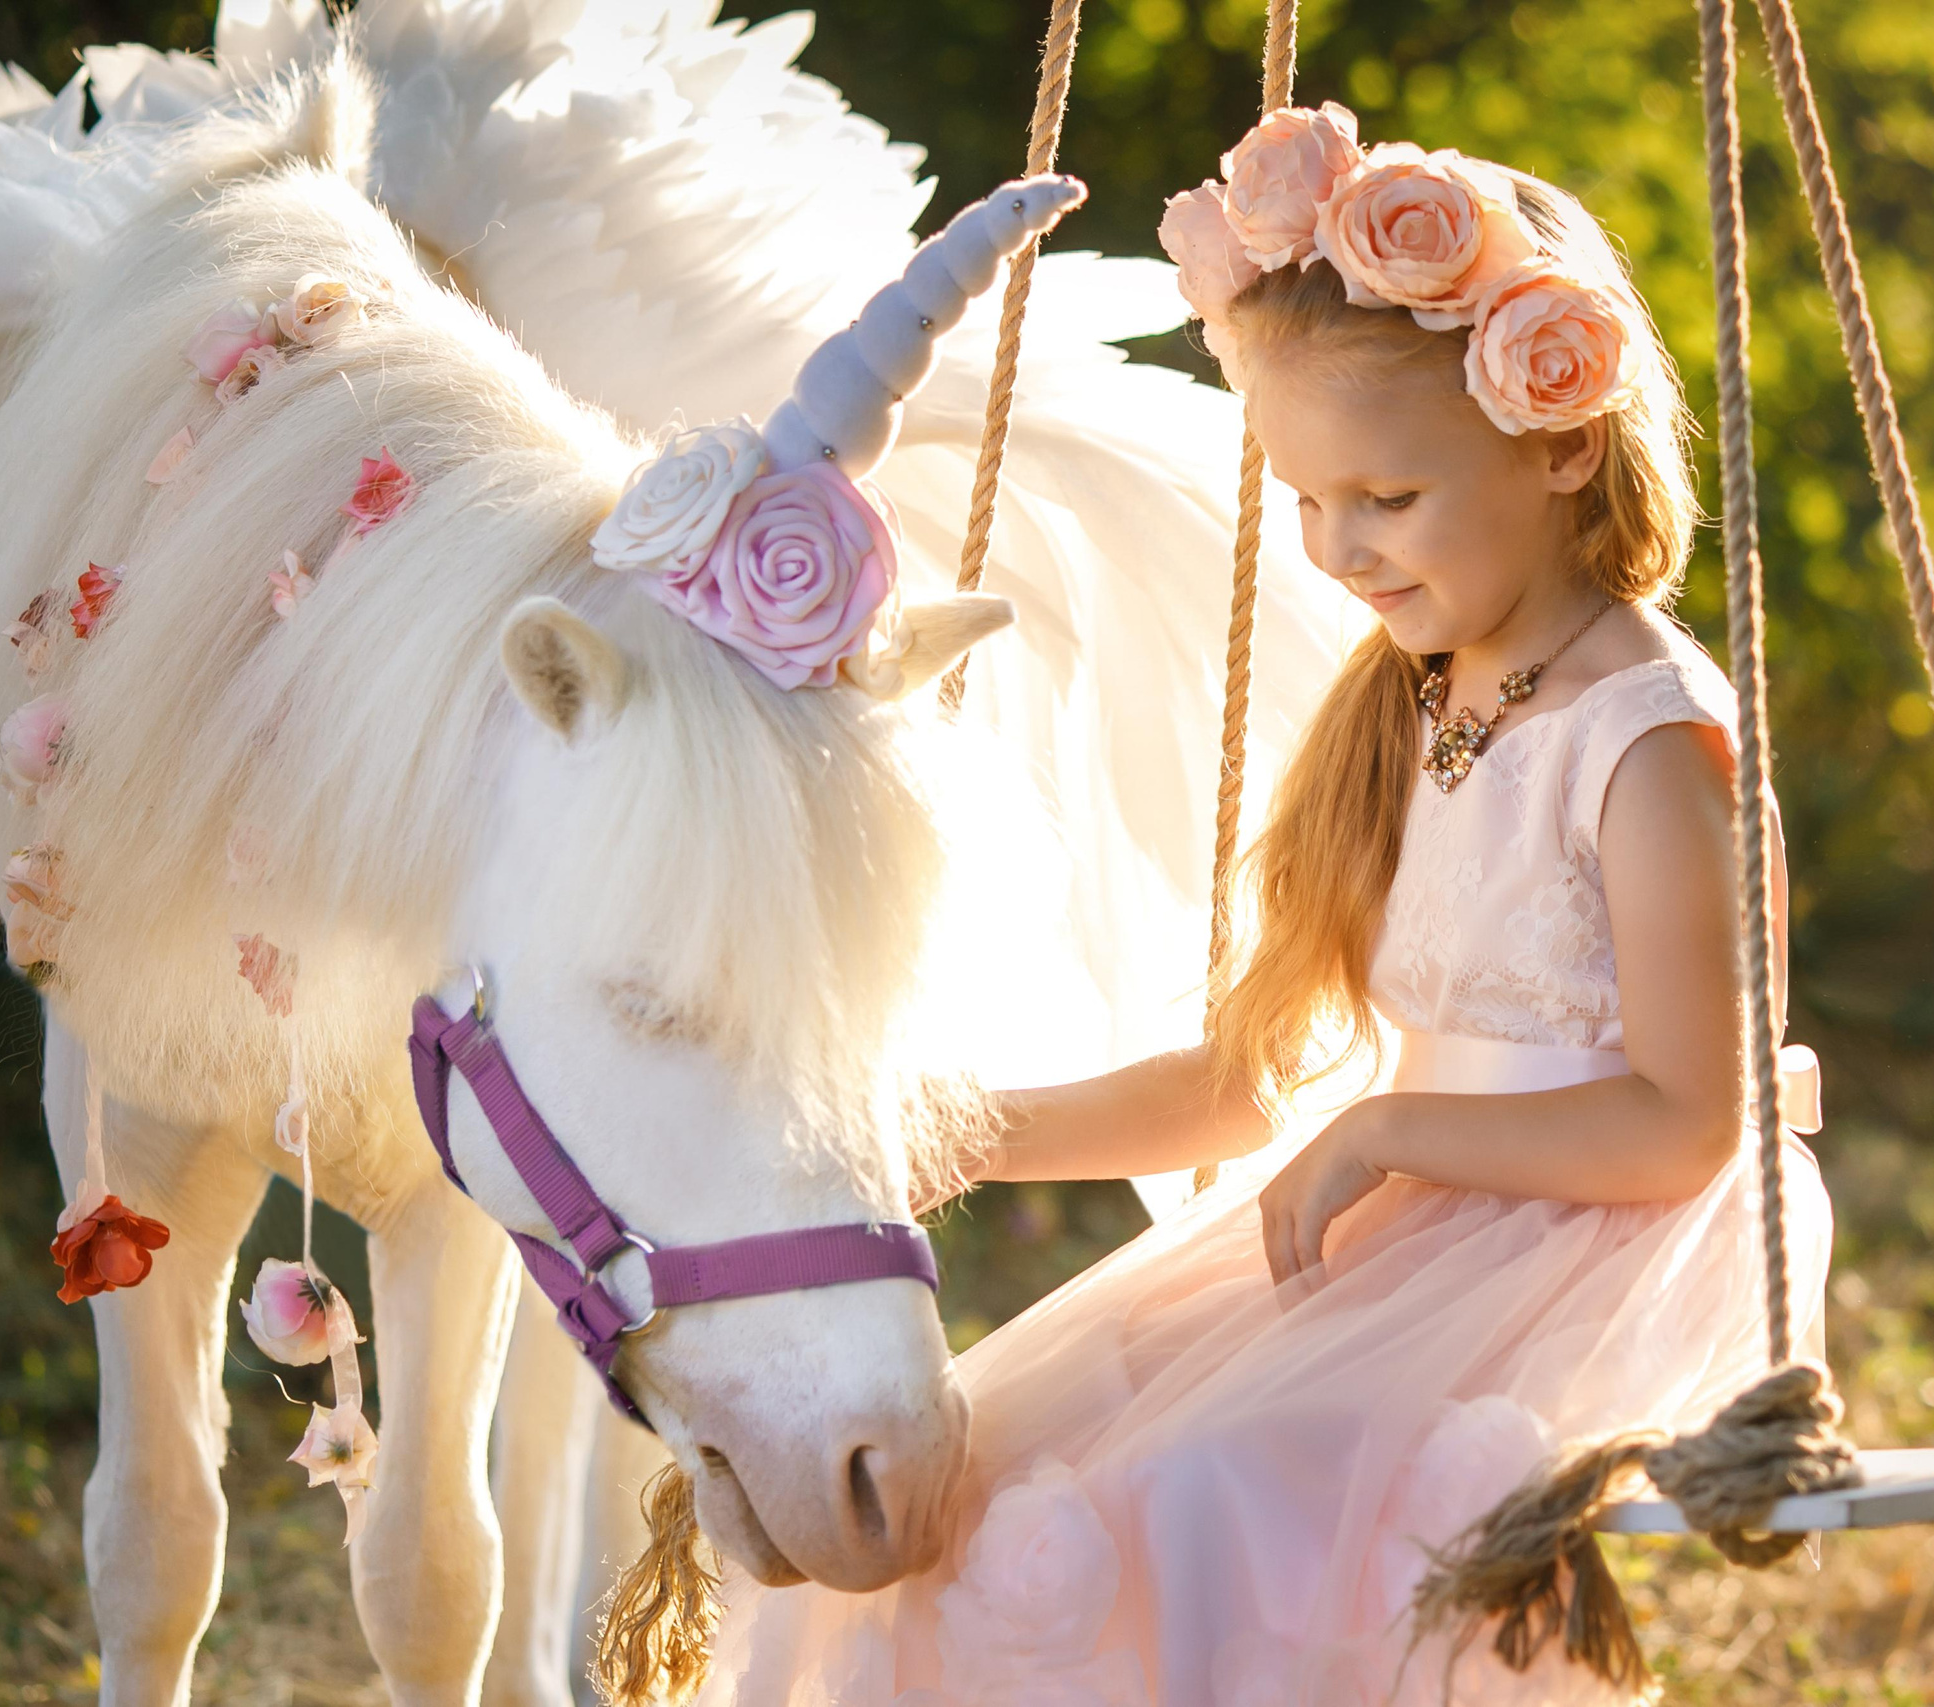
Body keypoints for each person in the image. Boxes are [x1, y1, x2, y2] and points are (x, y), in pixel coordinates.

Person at [716, 105, 1831, 1707]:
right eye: (1307, 501)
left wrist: (1388, 1133)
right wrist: (951, 1135)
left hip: (1595, 1263)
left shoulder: (1649, 747)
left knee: (1193, 1498)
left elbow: (1686, 1126)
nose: (1338, 551)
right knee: (994, 1483)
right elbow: (1245, 1088)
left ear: (1562, 442)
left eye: (1386, 497)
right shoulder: (1414, 709)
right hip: (1423, 1241)